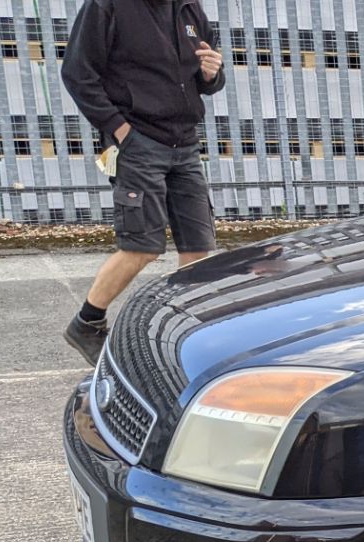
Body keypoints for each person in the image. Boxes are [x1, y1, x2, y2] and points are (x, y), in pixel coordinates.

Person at [58, 0, 225, 362]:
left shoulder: (189, 9)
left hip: (185, 142)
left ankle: (187, 332)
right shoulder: (108, 6)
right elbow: (77, 73)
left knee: (198, 247)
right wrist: (121, 130)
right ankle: (87, 322)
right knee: (142, 246)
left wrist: (212, 73)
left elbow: (205, 78)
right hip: (139, 142)